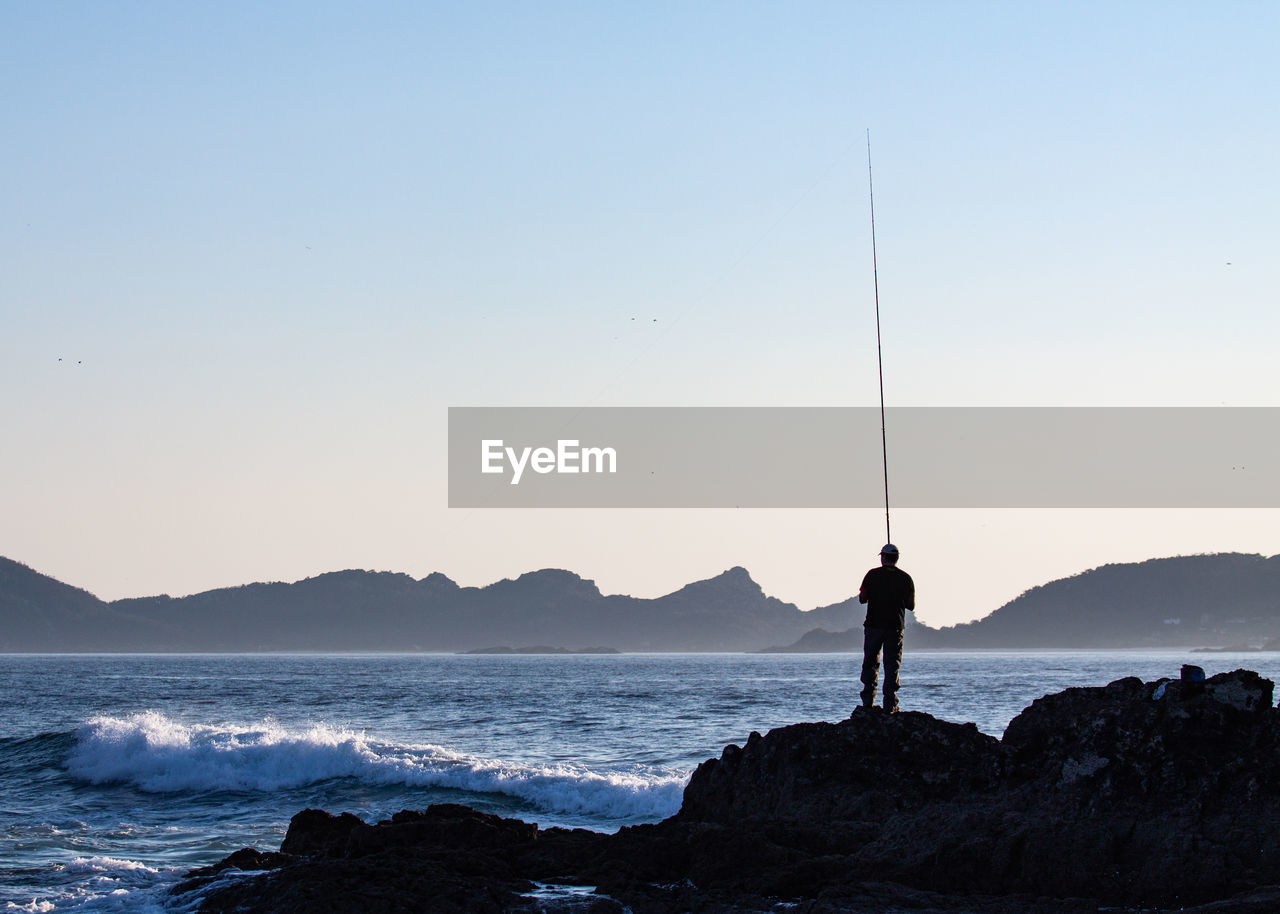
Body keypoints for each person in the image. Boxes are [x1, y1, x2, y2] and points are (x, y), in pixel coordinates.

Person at [857, 543, 915, 713]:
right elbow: (911, 605)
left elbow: (862, 598)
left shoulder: (872, 575)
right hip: (895, 627)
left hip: (874, 626)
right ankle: (890, 705)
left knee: (870, 663)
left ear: (883, 557)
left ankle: (868, 702)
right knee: (892, 666)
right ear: (896, 558)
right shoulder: (905, 578)